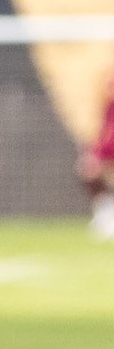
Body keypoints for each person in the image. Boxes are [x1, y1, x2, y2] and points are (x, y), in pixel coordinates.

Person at [79, 73, 114, 241]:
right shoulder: (107, 110)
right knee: (88, 168)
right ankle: (106, 214)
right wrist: (95, 154)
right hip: (108, 156)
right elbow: (105, 138)